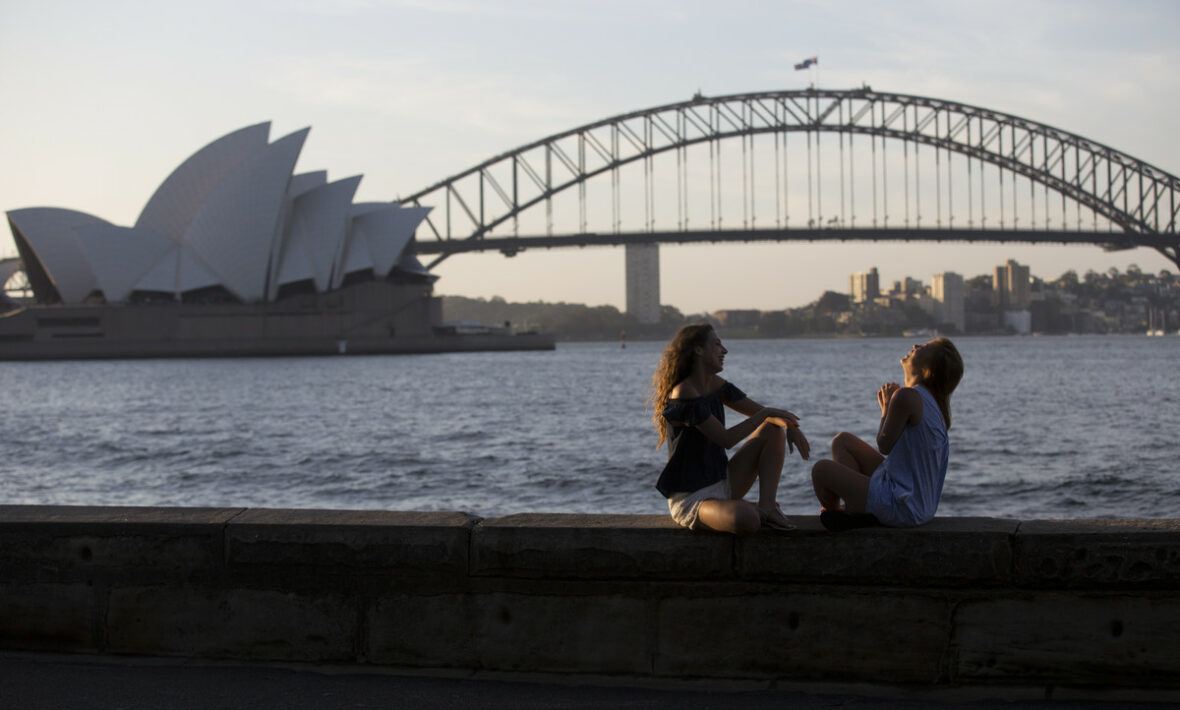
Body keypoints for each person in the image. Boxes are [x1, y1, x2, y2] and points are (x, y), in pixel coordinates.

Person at [651, 323, 810, 534]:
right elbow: (726, 439)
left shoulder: (716, 384)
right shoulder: (684, 392)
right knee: (747, 520)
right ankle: (752, 511)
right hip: (693, 497)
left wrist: (791, 426)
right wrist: (766, 415)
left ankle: (767, 506)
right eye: (717, 344)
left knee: (772, 431)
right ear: (698, 350)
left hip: (723, 481)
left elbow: (765, 414)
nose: (724, 350)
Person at [810, 337, 964, 531]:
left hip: (902, 507)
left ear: (928, 368)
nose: (915, 346)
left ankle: (837, 516)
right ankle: (856, 511)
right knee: (842, 442)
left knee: (821, 470)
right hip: (919, 507)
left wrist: (885, 410)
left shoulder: (908, 396)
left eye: (923, 347)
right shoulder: (933, 404)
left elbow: (884, 445)